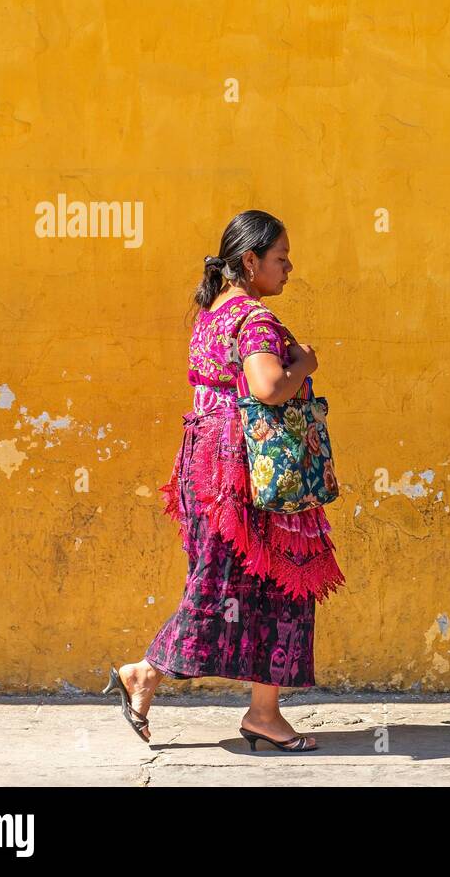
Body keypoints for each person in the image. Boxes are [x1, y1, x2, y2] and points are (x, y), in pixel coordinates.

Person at [103, 210, 344, 753]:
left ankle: (263, 712)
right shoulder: (254, 318)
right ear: (250, 260)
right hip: (252, 473)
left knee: (250, 587)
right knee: (258, 586)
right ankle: (147, 672)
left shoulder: (211, 315)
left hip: (206, 463)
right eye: (280, 258)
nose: (289, 268)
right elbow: (268, 386)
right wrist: (305, 362)